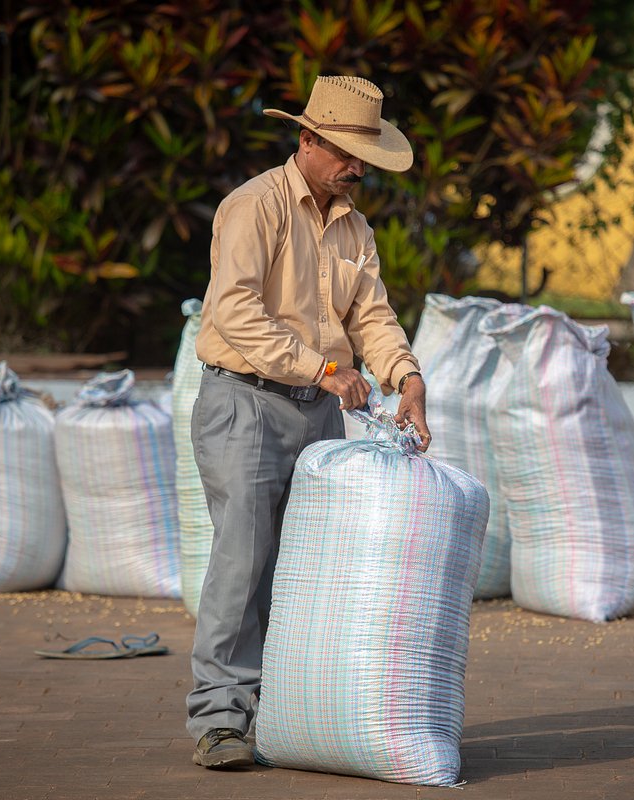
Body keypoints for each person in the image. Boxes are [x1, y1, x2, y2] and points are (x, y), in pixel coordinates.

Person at [185, 74, 432, 769]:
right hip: (245, 404)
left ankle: (285, 712)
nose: (359, 169)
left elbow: (372, 318)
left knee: (303, 570)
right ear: (309, 140)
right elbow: (235, 311)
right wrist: (324, 370)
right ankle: (220, 721)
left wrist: (406, 377)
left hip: (319, 413)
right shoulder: (253, 207)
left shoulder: (356, 227)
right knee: (243, 565)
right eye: (349, 154)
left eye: (366, 156)